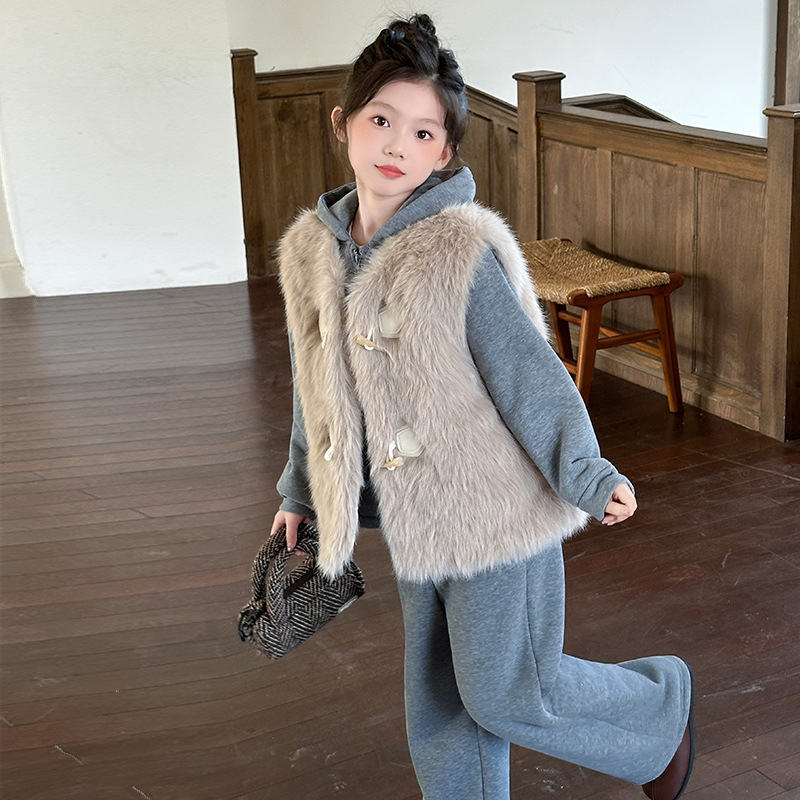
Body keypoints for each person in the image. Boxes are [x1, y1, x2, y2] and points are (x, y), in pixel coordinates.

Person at [271, 14, 694, 800]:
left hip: (499, 507)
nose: (398, 145)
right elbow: (315, 385)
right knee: (439, 699)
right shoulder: (311, 253)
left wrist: (587, 471)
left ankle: (658, 712)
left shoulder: (457, 252)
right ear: (344, 123)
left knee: (509, 691)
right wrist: (301, 492)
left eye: (423, 132)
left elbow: (530, 375)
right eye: (381, 121)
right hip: (417, 515)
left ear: (445, 153)